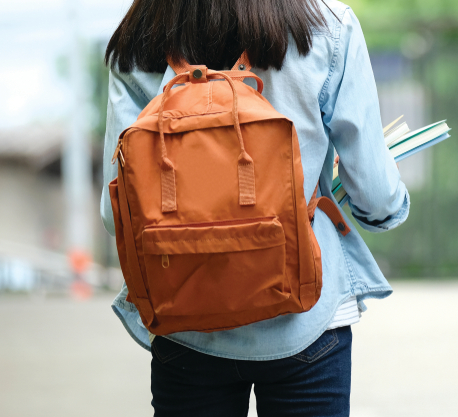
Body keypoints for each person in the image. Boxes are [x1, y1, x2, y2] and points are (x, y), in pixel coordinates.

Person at [99, 1, 409, 415]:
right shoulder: (326, 25)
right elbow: (375, 194)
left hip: (184, 321)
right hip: (307, 319)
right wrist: (383, 208)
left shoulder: (141, 34)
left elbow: (114, 212)